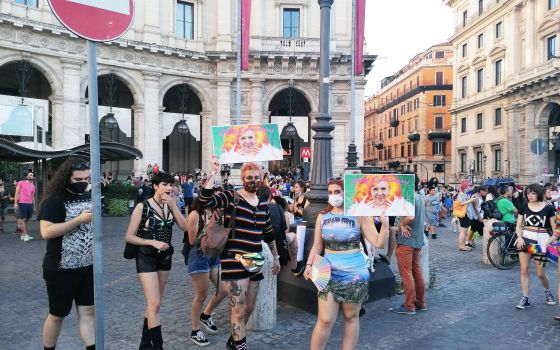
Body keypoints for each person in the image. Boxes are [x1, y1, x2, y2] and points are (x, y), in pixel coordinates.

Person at [200, 156, 280, 350]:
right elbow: (205, 199)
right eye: (249, 177)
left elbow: (268, 233)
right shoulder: (231, 197)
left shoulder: (263, 204)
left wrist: (276, 257)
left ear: (262, 178)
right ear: (243, 178)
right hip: (233, 258)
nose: (253, 180)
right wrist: (213, 172)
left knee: (249, 307)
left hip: (254, 259)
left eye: (256, 177)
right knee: (238, 309)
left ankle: (234, 340)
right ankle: (240, 346)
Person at [303, 178, 389, 350]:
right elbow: (317, 246)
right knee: (325, 319)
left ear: (346, 193)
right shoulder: (322, 217)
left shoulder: (360, 215)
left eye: (337, 192)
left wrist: (385, 224)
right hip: (326, 273)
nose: (333, 195)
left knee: (351, 317)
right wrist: (308, 264)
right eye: (330, 192)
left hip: (354, 274)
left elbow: (378, 243)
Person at [124, 172, 189, 350]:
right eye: (165, 185)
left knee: (154, 305)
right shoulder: (142, 207)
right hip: (146, 257)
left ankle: (145, 344)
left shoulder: (171, 205)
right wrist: (151, 241)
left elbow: (185, 228)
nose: (169, 188)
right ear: (155, 186)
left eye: (171, 185)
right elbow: (129, 236)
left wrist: (175, 207)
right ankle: (157, 346)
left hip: (165, 258)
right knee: (155, 303)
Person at [37, 158, 95, 350]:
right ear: (66, 178)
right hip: (60, 268)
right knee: (57, 315)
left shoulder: (88, 196)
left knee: (88, 311)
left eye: (86, 179)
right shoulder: (53, 200)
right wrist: (78, 220)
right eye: (78, 180)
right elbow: (46, 232)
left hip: (86, 266)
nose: (83, 183)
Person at [186, 198, 228, 347]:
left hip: (213, 254)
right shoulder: (195, 215)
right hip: (198, 255)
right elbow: (192, 240)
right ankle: (195, 330)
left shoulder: (215, 212)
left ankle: (206, 314)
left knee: (224, 290)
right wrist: (209, 227)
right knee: (202, 294)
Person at [514, 184, 557, 310]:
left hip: (540, 241)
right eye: (528, 193)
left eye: (533, 193)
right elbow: (518, 225)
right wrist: (519, 237)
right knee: (524, 269)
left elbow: (555, 230)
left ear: (538, 193)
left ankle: (547, 291)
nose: (530, 195)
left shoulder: (548, 208)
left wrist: (552, 239)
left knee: (540, 273)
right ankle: (525, 297)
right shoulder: (523, 207)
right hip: (525, 240)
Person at [390, 174, 427, 315]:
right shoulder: (418, 197)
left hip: (406, 241)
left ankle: (409, 305)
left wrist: (401, 224)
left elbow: (410, 217)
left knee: (406, 274)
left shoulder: (408, 197)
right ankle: (421, 302)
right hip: (417, 240)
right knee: (416, 271)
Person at [347, 175, 414, 216]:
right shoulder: (358, 210)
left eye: (383, 189)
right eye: (375, 189)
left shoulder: (403, 208)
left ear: (389, 190)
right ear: (369, 191)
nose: (379, 193)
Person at [218, 125, 283, 164]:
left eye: (250, 137)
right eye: (243, 138)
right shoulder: (229, 157)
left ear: (256, 138)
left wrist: (271, 154)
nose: (247, 141)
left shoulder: (268, 153)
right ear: (237, 141)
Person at [455, 180, 477, 251]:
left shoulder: (464, 193)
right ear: (465, 186)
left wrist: (471, 198)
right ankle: (462, 246)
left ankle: (463, 245)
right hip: (464, 214)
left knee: (464, 231)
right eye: (469, 186)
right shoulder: (461, 194)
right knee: (463, 231)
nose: (470, 187)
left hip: (466, 214)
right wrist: (471, 200)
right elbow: (461, 203)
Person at [14, 172, 36, 241]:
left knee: (27, 220)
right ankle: (26, 235)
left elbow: (33, 197)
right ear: (27, 176)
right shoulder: (21, 182)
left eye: (31, 175)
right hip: (22, 202)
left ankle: (23, 235)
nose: (30, 176)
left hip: (30, 204)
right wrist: (15, 203)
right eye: (29, 174)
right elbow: (16, 193)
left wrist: (34, 206)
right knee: (24, 218)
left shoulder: (33, 185)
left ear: (33, 177)